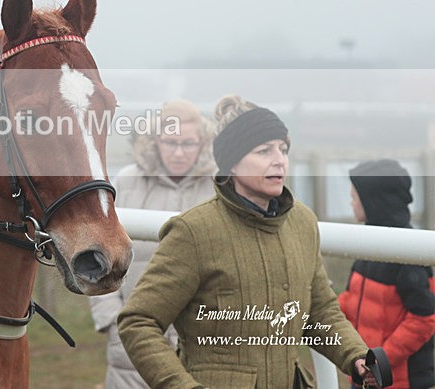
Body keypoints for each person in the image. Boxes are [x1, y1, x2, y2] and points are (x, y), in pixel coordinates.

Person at [118, 95, 379, 389]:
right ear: (232, 162)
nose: (279, 159)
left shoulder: (303, 223)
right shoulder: (193, 231)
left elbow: (319, 311)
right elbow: (138, 321)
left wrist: (356, 355)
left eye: (283, 149)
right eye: (264, 150)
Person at [89, 99, 216, 388]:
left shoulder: (219, 185)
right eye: (171, 142)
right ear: (155, 140)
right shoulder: (127, 182)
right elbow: (100, 252)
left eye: (188, 143)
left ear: (202, 142)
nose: (180, 152)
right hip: (132, 337)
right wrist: (111, 318)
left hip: (202, 338)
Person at [339, 159, 435, 389]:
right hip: (365, 375)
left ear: (374, 202)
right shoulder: (368, 246)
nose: (351, 203)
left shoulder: (408, 254)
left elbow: (425, 319)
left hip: (400, 381)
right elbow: (353, 300)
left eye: (354, 197)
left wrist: (379, 360)